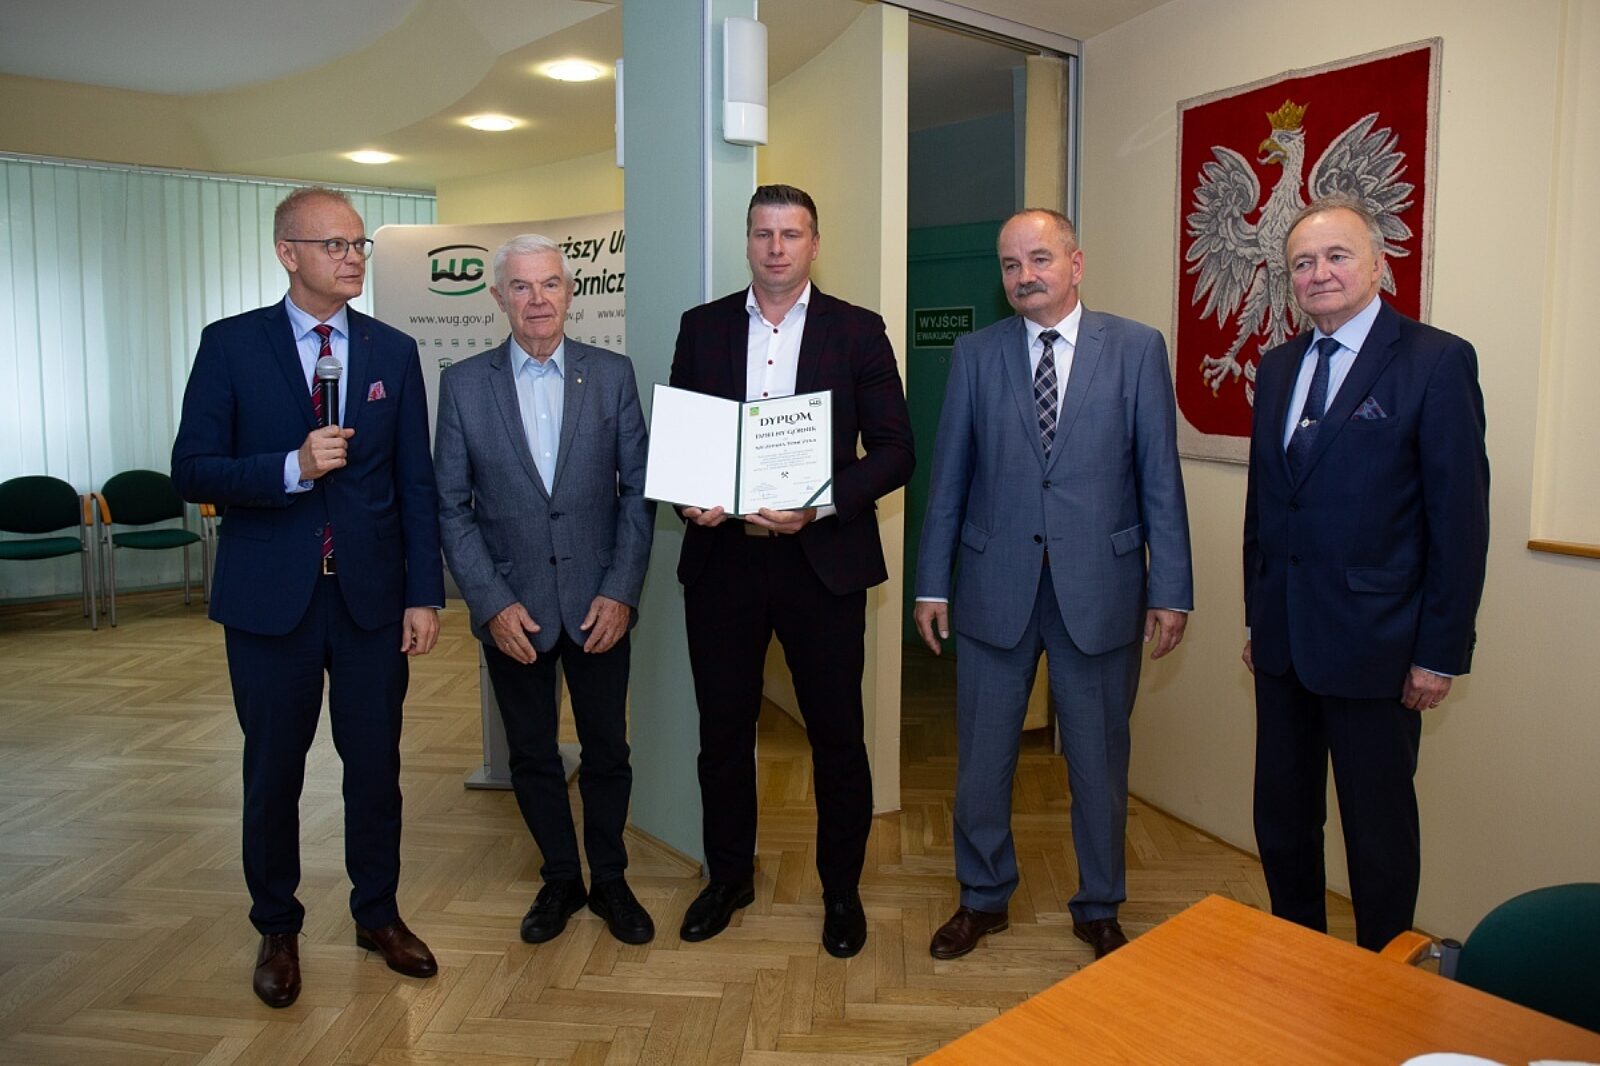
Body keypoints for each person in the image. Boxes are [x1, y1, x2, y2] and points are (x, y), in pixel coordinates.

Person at [171, 187, 443, 1008]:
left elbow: (416, 482)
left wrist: (423, 595)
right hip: (269, 604)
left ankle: (377, 915)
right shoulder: (230, 346)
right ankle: (278, 927)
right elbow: (192, 469)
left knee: (376, 769)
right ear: (288, 253)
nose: (353, 257)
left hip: (371, 604)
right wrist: (291, 466)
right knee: (273, 774)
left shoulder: (393, 351)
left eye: (359, 244)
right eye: (334, 245)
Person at [914, 208, 1193, 961]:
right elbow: (949, 478)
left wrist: (1171, 589)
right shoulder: (976, 355)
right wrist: (931, 583)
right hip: (992, 588)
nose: (1024, 276)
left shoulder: (1135, 348)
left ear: (1076, 263)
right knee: (982, 762)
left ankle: (1098, 906)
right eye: (1010, 264)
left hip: (1099, 591)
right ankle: (982, 897)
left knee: (1099, 764)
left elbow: (1159, 480)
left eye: (1039, 259)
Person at [669, 184, 914, 958]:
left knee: (837, 737)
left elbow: (897, 451)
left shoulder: (858, 330)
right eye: (763, 233)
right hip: (724, 563)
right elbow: (684, 445)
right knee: (722, 737)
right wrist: (688, 498)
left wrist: (821, 503)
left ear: (814, 243)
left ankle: (841, 891)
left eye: (792, 234)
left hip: (822, 566)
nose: (776, 248)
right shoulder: (702, 327)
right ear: (747, 241)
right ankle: (728, 878)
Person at [1243, 195, 1489, 951]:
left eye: (1336, 256)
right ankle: (1300, 962)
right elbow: (1267, 506)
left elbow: (1459, 520)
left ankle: (1383, 985)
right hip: (1285, 644)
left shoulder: (1434, 361)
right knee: (1283, 822)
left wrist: (1439, 653)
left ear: (1379, 264)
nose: (1318, 273)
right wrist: (1259, 617)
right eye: (1302, 263)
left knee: (1378, 837)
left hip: (1379, 649)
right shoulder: (1278, 367)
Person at [434, 234, 655, 947]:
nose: (537, 300)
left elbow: (639, 494)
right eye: (522, 287)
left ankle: (611, 878)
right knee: (531, 754)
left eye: (550, 284)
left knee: (607, 750)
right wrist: (491, 602)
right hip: (515, 609)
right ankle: (560, 876)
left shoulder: (612, 375)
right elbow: (450, 508)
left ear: (570, 292)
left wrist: (621, 591)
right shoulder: (464, 385)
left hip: (599, 605)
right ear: (498, 296)